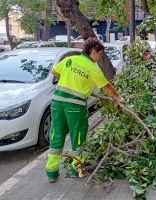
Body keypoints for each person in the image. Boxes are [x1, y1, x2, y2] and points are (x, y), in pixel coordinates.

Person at [45, 37, 121, 183]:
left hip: (57, 104)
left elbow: (54, 71)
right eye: (100, 54)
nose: (100, 57)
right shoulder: (92, 67)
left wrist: (72, 76)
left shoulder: (70, 60)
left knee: (57, 135)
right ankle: (76, 169)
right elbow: (106, 86)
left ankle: (51, 173)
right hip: (75, 107)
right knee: (78, 138)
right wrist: (118, 97)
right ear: (93, 52)